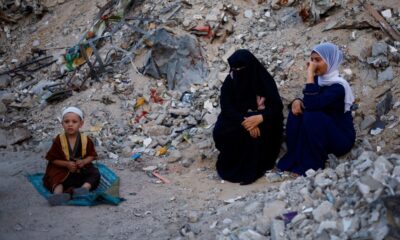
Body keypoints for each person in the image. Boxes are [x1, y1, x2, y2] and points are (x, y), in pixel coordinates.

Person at [276, 42, 356, 176]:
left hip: (340, 138)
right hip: (322, 133)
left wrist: (309, 75)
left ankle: (312, 163)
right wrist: (297, 101)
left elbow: (313, 105)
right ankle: (295, 155)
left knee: (312, 116)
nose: (313, 64)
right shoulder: (319, 81)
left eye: (318, 60)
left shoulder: (338, 86)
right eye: (312, 60)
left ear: (330, 61)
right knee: (296, 112)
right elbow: (309, 102)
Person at [213, 49, 284, 185]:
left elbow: (276, 107)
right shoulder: (231, 80)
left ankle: (253, 167)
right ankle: (233, 164)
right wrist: (245, 122)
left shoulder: (264, 80)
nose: (237, 71)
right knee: (221, 129)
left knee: (262, 131)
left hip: (263, 118)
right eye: (234, 68)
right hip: (241, 118)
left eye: (241, 68)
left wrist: (260, 118)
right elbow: (227, 107)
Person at [43, 106, 100, 206]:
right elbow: (52, 159)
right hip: (63, 171)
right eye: (67, 121)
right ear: (62, 124)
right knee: (53, 175)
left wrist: (83, 162)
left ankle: (84, 189)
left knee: (95, 173)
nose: (70, 124)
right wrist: (66, 164)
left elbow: (92, 156)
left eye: (74, 122)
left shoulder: (86, 140)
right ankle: (58, 195)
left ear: (81, 124)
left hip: (80, 170)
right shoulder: (59, 140)